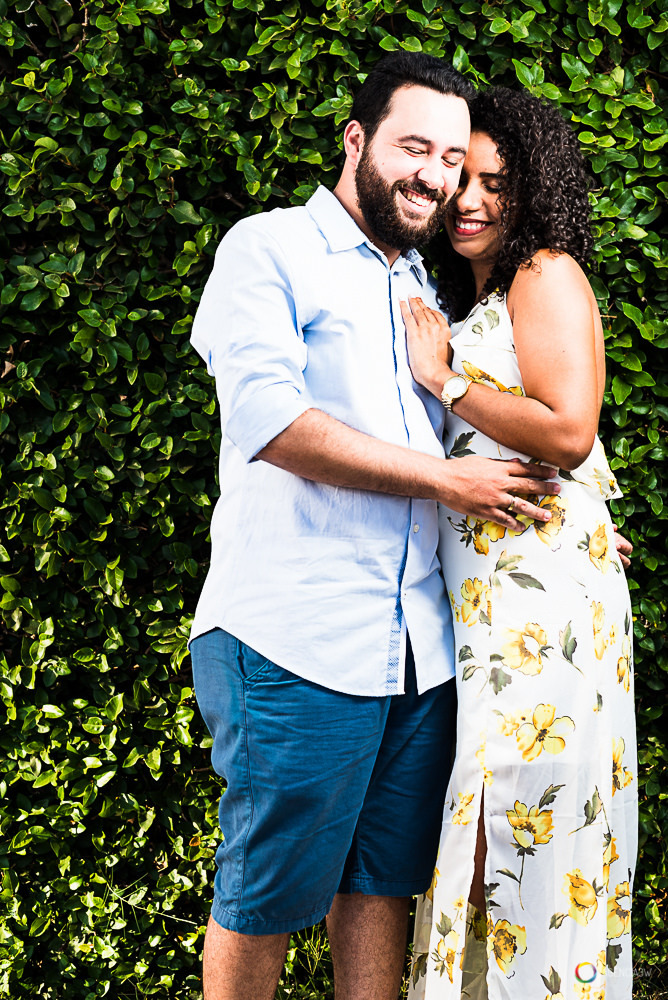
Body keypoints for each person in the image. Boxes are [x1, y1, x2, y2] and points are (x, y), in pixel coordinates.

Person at [187, 54, 567, 1000]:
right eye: (414, 148)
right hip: (296, 637)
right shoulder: (270, 248)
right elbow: (271, 422)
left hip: (419, 653)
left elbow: (483, 439)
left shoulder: (424, 287)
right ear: (356, 140)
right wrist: (445, 480)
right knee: (265, 895)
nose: (437, 176)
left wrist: (571, 536)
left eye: (452, 158)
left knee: (381, 886)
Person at [402, 87, 637, 1000]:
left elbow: (570, 429)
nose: (468, 199)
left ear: (532, 189)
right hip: (497, 602)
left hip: (534, 610)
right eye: (461, 177)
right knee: (503, 816)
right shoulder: (474, 292)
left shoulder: (544, 272)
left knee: (523, 813)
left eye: (496, 183)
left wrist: (445, 381)